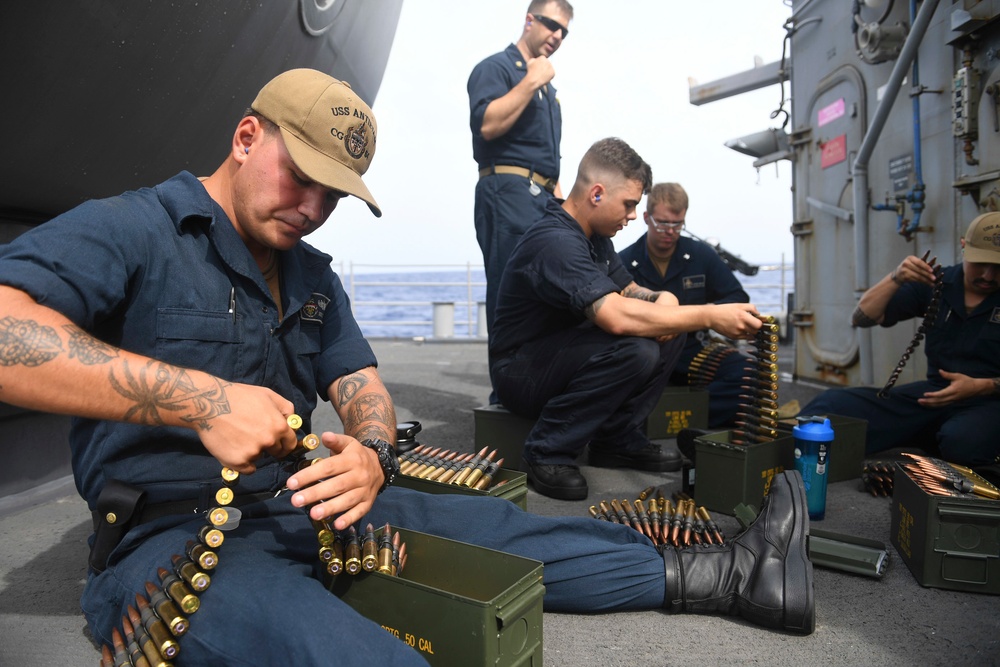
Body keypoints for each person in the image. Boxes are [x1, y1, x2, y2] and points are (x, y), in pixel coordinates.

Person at [0, 70, 814, 664]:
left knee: (502, 533)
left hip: (304, 504)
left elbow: (364, 388)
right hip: (169, 542)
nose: (314, 208)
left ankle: (729, 571)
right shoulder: (134, 228)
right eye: (304, 177)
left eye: (335, 194)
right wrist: (202, 401)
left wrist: (371, 452)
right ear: (247, 136)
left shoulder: (311, 274)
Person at [490, 139, 767, 501]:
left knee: (669, 326)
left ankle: (615, 439)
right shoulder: (555, 241)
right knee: (637, 349)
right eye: (630, 204)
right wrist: (708, 315)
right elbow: (616, 317)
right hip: (521, 373)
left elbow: (630, 291)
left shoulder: (595, 236)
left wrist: (664, 301)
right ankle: (547, 451)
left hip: (559, 358)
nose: (634, 215)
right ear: (597, 194)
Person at [800, 213, 1000, 467]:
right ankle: (930, 435)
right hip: (933, 396)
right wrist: (896, 276)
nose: (989, 275)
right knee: (830, 406)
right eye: (980, 263)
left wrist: (983, 386)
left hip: (990, 402)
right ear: (963, 246)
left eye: (998, 267)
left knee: (962, 443)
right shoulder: (938, 283)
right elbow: (862, 317)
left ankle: (941, 438)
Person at [468, 0, 573, 401]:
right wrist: (531, 80)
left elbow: (550, 160)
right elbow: (488, 124)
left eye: (564, 32)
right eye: (551, 25)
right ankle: (507, 393)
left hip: (545, 196)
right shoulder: (495, 68)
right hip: (507, 192)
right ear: (529, 19)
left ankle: (539, 385)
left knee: (549, 292)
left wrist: (564, 210)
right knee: (509, 292)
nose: (557, 36)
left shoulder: (549, 89)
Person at [618, 182, 752, 428]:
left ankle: (691, 424)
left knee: (747, 374)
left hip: (694, 350)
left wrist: (696, 316)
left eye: (677, 224)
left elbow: (737, 298)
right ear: (646, 218)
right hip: (646, 352)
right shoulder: (624, 262)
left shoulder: (701, 255)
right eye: (663, 223)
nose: (670, 231)